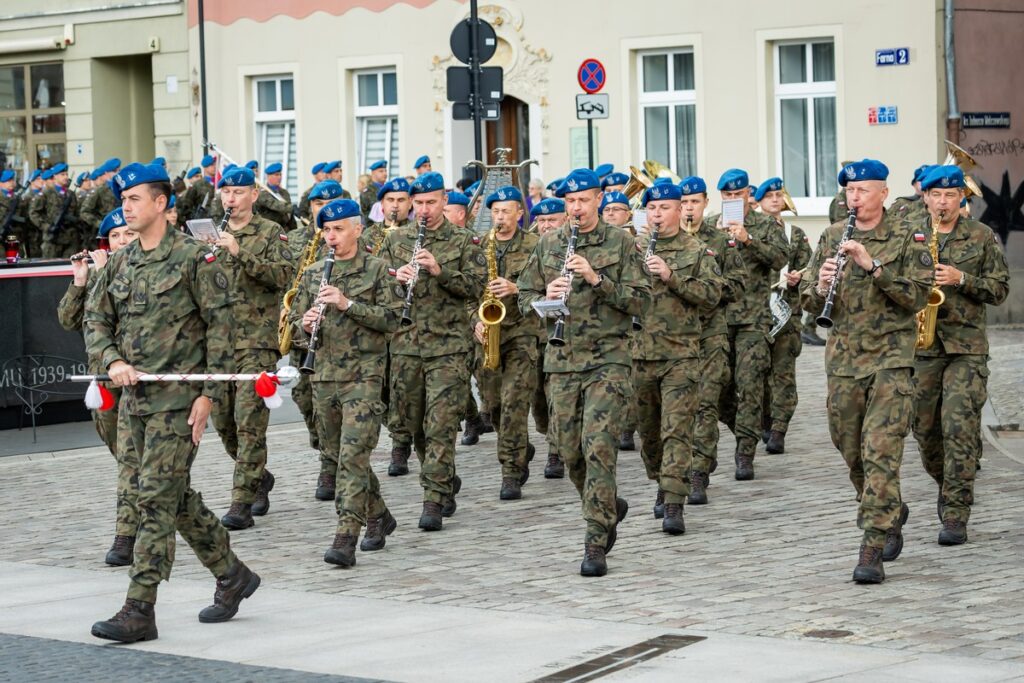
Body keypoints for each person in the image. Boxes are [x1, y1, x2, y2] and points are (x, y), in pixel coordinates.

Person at [85, 162, 259, 643]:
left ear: (162, 203)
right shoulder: (120, 262)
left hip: (180, 401)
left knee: (155, 500)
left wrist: (209, 396)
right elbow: (95, 322)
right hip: (135, 402)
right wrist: (112, 359)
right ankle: (232, 573)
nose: (126, 206)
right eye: (123, 200)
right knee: (172, 494)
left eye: (135, 198)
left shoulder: (195, 259)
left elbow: (224, 331)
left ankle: (139, 608)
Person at [801, 159, 932, 584]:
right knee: (850, 448)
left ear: (883, 193)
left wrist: (872, 265)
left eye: (862, 190)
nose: (853, 198)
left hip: (891, 360)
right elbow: (807, 300)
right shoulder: (831, 236)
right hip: (843, 361)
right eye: (849, 192)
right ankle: (887, 506)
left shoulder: (908, 236)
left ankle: (872, 544)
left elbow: (917, 296)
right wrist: (820, 285)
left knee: (881, 450)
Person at [517, 168, 650, 577]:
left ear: (598, 200)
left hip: (608, 361)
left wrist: (596, 278)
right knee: (571, 452)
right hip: (561, 362)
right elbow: (522, 298)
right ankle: (606, 504)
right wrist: (545, 297)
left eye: (583, 200)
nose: (576, 208)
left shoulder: (621, 242)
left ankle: (595, 539)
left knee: (599, 447)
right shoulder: (549, 243)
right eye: (570, 202)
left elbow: (642, 301)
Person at [289, 198, 400, 567]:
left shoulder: (377, 269)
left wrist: (348, 304)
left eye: (338, 229)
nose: (331, 237)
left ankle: (345, 536)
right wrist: (303, 326)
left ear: (357, 229)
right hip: (323, 377)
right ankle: (379, 514)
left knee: (353, 456)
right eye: (326, 230)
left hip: (363, 377)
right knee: (339, 457)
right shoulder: (312, 274)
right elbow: (291, 330)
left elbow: (393, 320)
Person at [378, 172, 485, 530]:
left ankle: (434, 498)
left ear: (444, 201)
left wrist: (439, 271)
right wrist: (396, 279)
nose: (423, 210)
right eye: (418, 204)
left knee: (440, 425)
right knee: (414, 423)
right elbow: (378, 286)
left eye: (430, 203)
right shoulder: (397, 240)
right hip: (406, 345)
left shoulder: (464, 240)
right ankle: (443, 478)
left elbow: (475, 287)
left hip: (448, 347)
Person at [911, 165, 1009, 546]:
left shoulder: (982, 236)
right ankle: (945, 483)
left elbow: (999, 289)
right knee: (926, 431)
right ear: (926, 197)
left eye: (950, 195)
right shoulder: (912, 235)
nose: (942, 202)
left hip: (966, 349)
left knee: (959, 429)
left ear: (961, 199)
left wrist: (961, 279)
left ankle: (956, 511)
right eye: (936, 195)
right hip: (923, 347)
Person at [208, 166, 295, 530]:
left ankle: (241, 502)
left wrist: (240, 251)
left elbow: (282, 276)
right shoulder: (212, 233)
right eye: (225, 192)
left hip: (256, 343)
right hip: (217, 343)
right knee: (223, 422)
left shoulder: (271, 232)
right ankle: (259, 476)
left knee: (249, 424)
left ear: (254, 195)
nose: (230, 199)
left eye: (238, 192)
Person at [632, 182, 721, 534]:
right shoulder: (632, 248)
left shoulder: (697, 251)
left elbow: (712, 295)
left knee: (677, 430)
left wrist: (671, 276)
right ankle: (661, 478)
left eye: (664, 208)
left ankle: (673, 501)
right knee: (650, 433)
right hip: (639, 353)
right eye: (652, 209)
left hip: (681, 355)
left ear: (678, 210)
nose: (657, 215)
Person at [58, 207, 139, 566]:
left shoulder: (142, 271)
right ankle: (159, 506)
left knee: (131, 461)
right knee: (125, 457)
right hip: (104, 381)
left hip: (137, 377)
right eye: (115, 237)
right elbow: (68, 320)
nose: (121, 242)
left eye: (128, 235)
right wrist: (80, 280)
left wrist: (105, 273)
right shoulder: (94, 274)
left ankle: (126, 535)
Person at [710, 168, 788, 481]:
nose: (732, 200)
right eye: (727, 196)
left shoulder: (766, 224)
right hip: (718, 319)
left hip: (753, 319)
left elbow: (780, 258)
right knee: (719, 390)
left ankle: (745, 452)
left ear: (748, 196)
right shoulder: (710, 225)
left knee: (750, 385)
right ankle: (750, 429)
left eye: (737, 195)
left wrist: (748, 239)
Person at [471, 186, 540, 500]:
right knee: (495, 405)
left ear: (520, 213)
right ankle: (521, 446)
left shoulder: (536, 245)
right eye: (495, 212)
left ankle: (510, 471)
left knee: (514, 402)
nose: (500, 217)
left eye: (506, 211)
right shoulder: (478, 247)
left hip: (523, 332)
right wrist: (475, 320)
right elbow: (465, 290)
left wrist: (517, 287)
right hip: (488, 335)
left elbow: (548, 286)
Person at [685, 176, 746, 505]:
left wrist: (707, 290)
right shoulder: (661, 241)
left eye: (694, 202)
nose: (688, 209)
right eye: (682, 204)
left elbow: (738, 285)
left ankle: (698, 472)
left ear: (705, 203)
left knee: (705, 405)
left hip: (710, 335)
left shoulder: (720, 241)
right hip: (672, 340)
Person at [286, 179, 346, 501]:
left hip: (342, 337)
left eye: (331, 201)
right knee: (305, 400)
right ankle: (324, 445)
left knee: (334, 407)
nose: (323, 208)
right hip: (304, 331)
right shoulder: (296, 239)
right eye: (317, 203)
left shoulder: (353, 236)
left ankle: (329, 463)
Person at [755, 177, 812, 455]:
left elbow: (808, 267)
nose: (776, 200)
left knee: (784, 374)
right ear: (758, 202)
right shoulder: (747, 232)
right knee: (758, 374)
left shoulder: (795, 233)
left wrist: (797, 277)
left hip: (786, 311)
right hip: (756, 312)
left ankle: (779, 428)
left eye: (779, 195)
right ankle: (765, 420)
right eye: (769, 196)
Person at [526, 197, 567, 478]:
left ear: (564, 219)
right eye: (541, 221)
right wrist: (542, 298)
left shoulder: (572, 246)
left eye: (552, 220)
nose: (546, 226)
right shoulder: (536, 248)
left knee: (557, 397)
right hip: (532, 335)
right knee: (538, 400)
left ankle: (556, 451)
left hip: (562, 339)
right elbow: (524, 291)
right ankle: (549, 433)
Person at [32, 162, 84, 258]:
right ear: (55, 176)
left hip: (70, 239)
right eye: (62, 175)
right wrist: (46, 226)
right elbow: (34, 213)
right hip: (52, 239)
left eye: (66, 174)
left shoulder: (70, 194)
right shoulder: (45, 193)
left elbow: (77, 213)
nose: (65, 177)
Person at [362, 177, 412, 257]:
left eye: (401, 200)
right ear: (382, 203)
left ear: (410, 203)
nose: (395, 205)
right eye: (390, 200)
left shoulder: (419, 233)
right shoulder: (368, 235)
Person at [80, 158, 121, 232]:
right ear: (106, 173)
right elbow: (84, 212)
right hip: (106, 231)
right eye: (114, 171)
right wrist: (100, 224)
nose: (118, 173)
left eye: (119, 170)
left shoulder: (123, 188)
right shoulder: (100, 190)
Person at [178, 154, 217, 226]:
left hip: (214, 221)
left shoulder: (216, 183)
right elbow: (186, 205)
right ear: (205, 168)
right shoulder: (198, 185)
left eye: (215, 165)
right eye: (211, 165)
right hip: (200, 221)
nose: (214, 167)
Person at [254, 161, 294, 230]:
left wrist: (294, 229)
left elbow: (289, 215)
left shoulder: (284, 193)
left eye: (280, 175)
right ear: (268, 176)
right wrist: (291, 208)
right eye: (276, 175)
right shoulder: (263, 193)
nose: (279, 177)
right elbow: (275, 205)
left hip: (284, 229)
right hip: (268, 230)